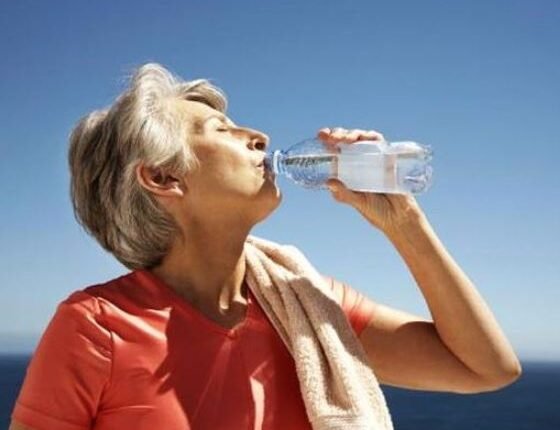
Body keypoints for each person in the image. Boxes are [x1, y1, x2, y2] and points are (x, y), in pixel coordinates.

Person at [10, 63, 521, 430]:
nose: (258, 136)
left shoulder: (306, 306)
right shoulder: (95, 327)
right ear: (164, 178)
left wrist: (404, 221)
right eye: (222, 130)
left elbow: (486, 368)